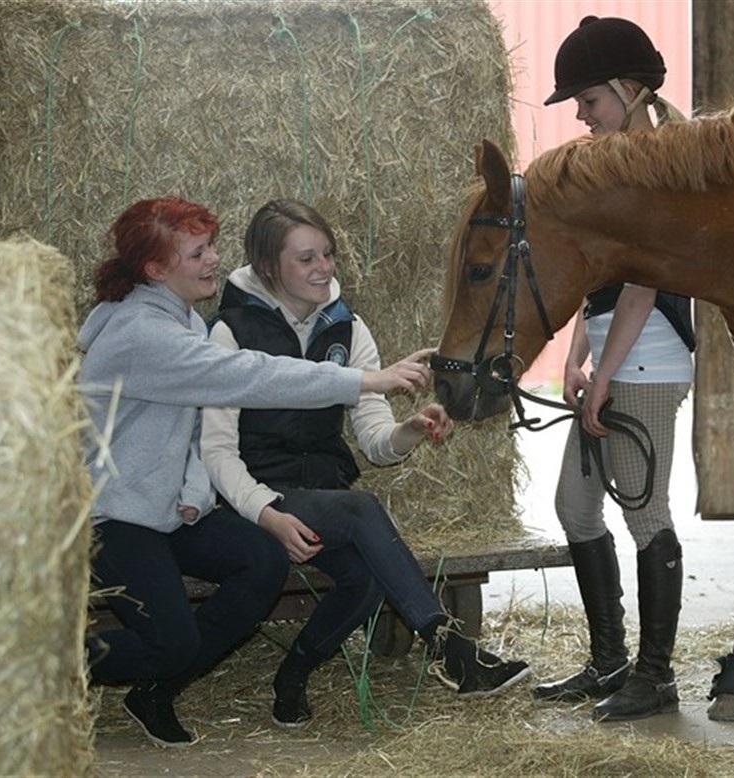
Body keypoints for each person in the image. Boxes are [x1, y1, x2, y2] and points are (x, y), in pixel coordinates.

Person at [81, 196, 439, 748]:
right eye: (197, 253)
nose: (214, 260)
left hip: (167, 511)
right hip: (114, 517)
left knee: (261, 560)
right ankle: (45, 664)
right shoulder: (143, 335)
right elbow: (251, 375)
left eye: (210, 246)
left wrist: (195, 492)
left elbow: (196, 431)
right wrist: (366, 380)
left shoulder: (179, 317)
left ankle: (155, 691)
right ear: (155, 269)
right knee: (172, 643)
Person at [200, 198, 530, 728]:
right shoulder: (230, 332)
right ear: (267, 267)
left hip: (319, 495)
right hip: (254, 497)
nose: (324, 268)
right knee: (360, 510)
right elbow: (215, 452)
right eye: (306, 258)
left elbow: (375, 441)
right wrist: (266, 513)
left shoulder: (348, 327)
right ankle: (450, 649)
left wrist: (410, 429)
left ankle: (294, 675)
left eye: (328, 253)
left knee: (368, 578)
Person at [532, 16, 695, 722]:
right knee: (574, 507)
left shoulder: (661, 171)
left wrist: (602, 375)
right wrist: (577, 354)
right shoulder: (614, 170)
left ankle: (656, 677)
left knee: (645, 511)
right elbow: (598, 279)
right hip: (613, 355)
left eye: (589, 100)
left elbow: (643, 287)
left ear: (631, 91)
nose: (581, 115)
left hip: (649, 360)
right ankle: (609, 660)